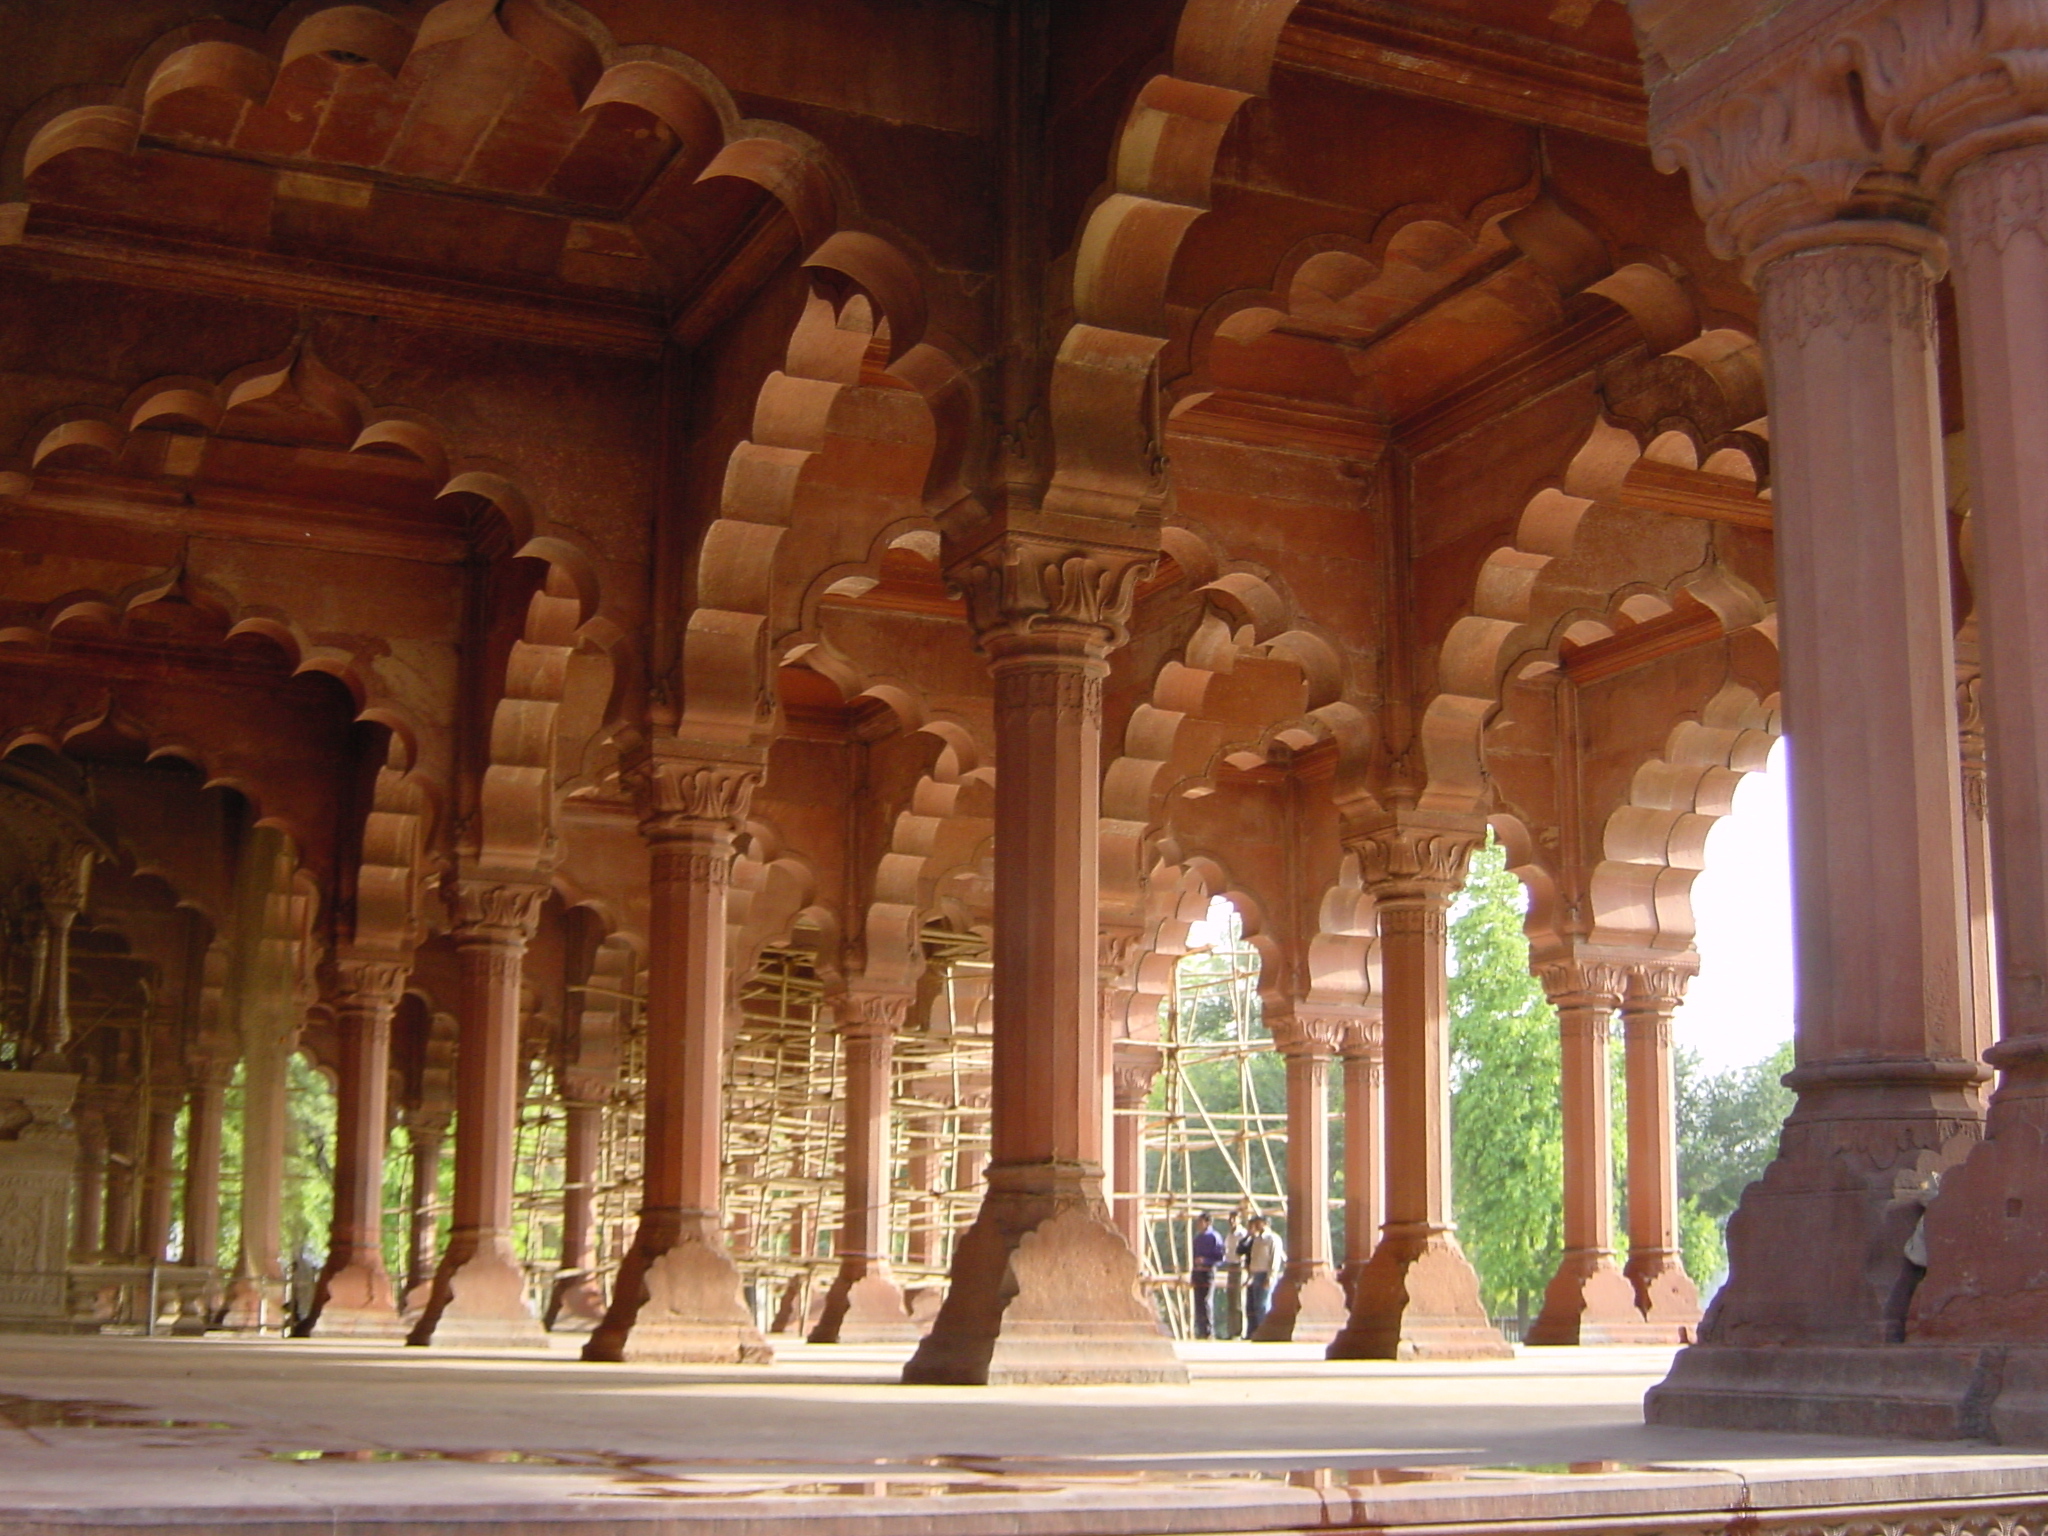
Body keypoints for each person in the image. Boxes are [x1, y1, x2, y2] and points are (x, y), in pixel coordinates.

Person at [1239, 1213, 1285, 1334]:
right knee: (1256, 1305)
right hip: (1256, 1274)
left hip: (1265, 1273)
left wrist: (1271, 1276)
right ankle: (1260, 1330)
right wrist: (1250, 1275)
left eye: (1259, 1223)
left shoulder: (1273, 1238)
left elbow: (1275, 1258)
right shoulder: (1257, 1239)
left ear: (1266, 1224)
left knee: (1264, 1304)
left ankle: (1267, 1331)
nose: (1256, 1225)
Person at [1189, 1213, 1226, 1339]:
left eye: (1200, 1222)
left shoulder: (1214, 1237)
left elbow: (1220, 1258)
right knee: (1198, 1301)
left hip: (1208, 1272)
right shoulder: (1198, 1238)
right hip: (1198, 1272)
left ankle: (1208, 1330)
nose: (1198, 1225)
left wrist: (1206, 1261)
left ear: (1208, 1222)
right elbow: (1194, 1257)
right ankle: (1200, 1330)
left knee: (1206, 1301)